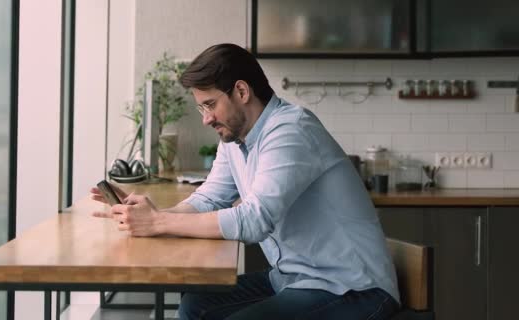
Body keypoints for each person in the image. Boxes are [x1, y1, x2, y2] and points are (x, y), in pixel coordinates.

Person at [91, 43, 400, 320]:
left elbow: (254, 221)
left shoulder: (290, 130)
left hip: (352, 289)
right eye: (201, 108)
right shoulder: (234, 140)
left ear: (241, 92)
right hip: (291, 279)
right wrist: (149, 216)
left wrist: (159, 223)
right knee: (195, 305)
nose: (206, 119)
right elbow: (208, 199)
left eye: (210, 105)